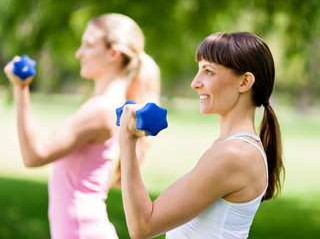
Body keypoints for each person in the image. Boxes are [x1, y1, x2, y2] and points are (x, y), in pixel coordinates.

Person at [4, 13, 160, 239]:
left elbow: (34, 156)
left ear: (113, 53)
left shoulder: (100, 109)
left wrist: (21, 89)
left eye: (88, 45)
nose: (79, 53)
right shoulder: (111, 106)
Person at [118, 32, 285, 239]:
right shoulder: (231, 148)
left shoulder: (234, 154)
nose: (195, 83)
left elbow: (143, 226)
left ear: (244, 82)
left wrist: (127, 141)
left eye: (208, 71)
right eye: (199, 70)